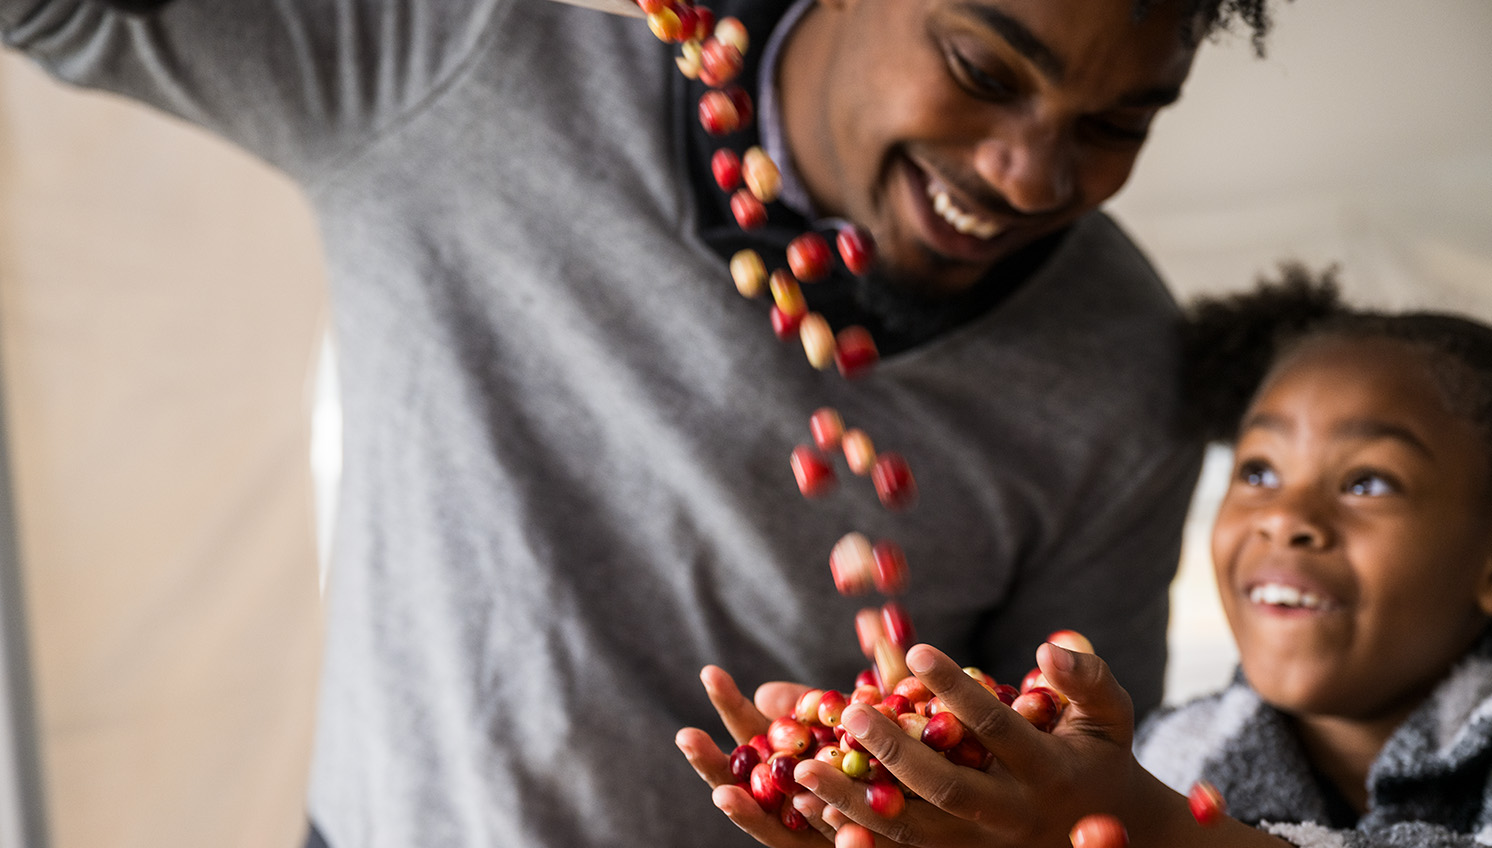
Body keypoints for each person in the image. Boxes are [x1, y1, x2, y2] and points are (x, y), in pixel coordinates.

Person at [0, 0, 1269, 845]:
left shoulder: (1119, 362)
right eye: (982, 71)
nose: (1034, 175)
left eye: (1116, 125)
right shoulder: (474, 66)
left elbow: (1066, 767)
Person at [720, 269, 1492, 847]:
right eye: (1256, 472)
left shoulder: (1144, 790)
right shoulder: (1179, 749)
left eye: (1368, 482)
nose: (1286, 517)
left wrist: (1148, 829)